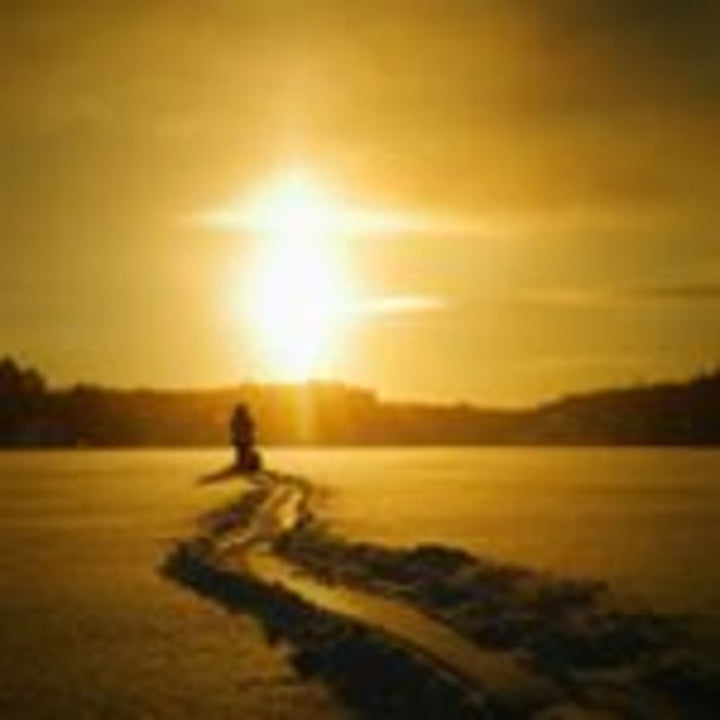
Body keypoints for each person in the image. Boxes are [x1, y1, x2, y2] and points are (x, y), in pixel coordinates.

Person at [230, 404, 261, 471]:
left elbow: (233, 429)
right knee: (242, 452)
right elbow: (252, 428)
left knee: (243, 452)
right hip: (243, 439)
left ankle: (244, 464)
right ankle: (243, 464)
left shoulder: (240, 419)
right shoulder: (244, 419)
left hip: (244, 439)